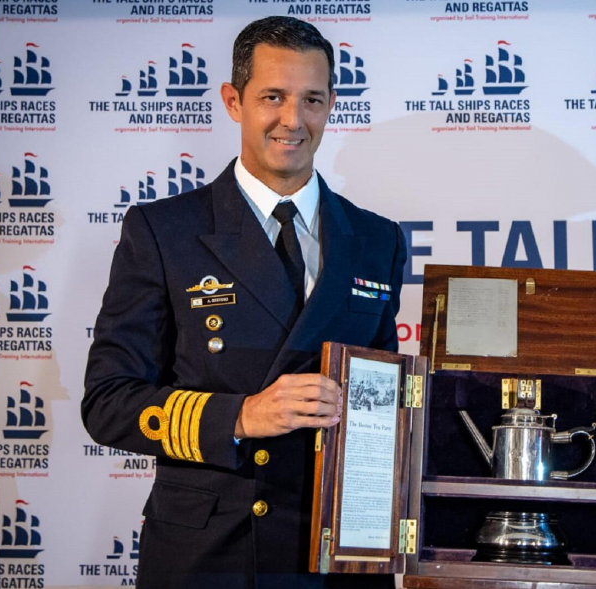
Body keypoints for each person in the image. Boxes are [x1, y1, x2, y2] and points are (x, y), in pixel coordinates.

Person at [82, 16, 405, 589]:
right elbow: (108, 402)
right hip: (212, 554)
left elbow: (378, 399)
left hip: (336, 554)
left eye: (311, 99)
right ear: (233, 101)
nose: (293, 120)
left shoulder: (377, 240)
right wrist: (242, 416)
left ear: (332, 104)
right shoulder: (164, 231)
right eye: (272, 98)